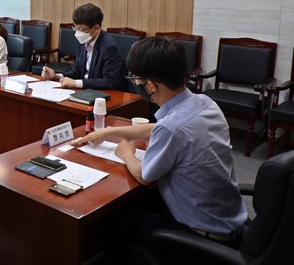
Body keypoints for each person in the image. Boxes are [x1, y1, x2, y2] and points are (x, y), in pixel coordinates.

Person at [71, 37, 247, 264]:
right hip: (227, 222)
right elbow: (160, 128)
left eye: (137, 79)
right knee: (136, 202)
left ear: (151, 86)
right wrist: (108, 132)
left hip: (200, 237)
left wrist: (126, 153)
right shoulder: (205, 103)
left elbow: (144, 175)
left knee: (105, 218)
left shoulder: (171, 128)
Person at [41, 3, 126, 90]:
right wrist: (57, 76)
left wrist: (76, 83)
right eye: (76, 28)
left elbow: (110, 81)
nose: (78, 33)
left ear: (97, 28)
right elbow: (77, 71)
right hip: (84, 90)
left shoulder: (109, 47)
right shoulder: (84, 41)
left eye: (81, 29)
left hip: (102, 94)